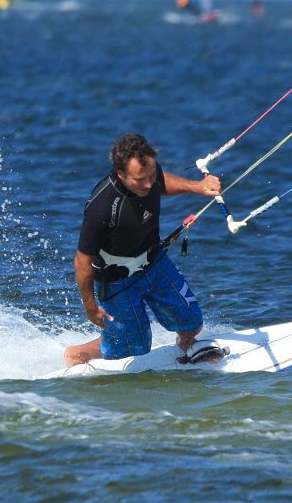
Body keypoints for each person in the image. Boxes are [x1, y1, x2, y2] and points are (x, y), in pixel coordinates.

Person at [63, 133, 221, 366]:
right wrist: (90, 307)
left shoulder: (149, 174)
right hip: (117, 281)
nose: (148, 184)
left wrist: (196, 187)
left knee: (192, 323)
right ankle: (78, 353)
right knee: (134, 346)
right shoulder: (102, 207)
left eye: (150, 175)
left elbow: (161, 182)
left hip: (155, 263)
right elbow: (81, 262)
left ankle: (187, 345)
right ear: (120, 174)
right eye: (140, 180)